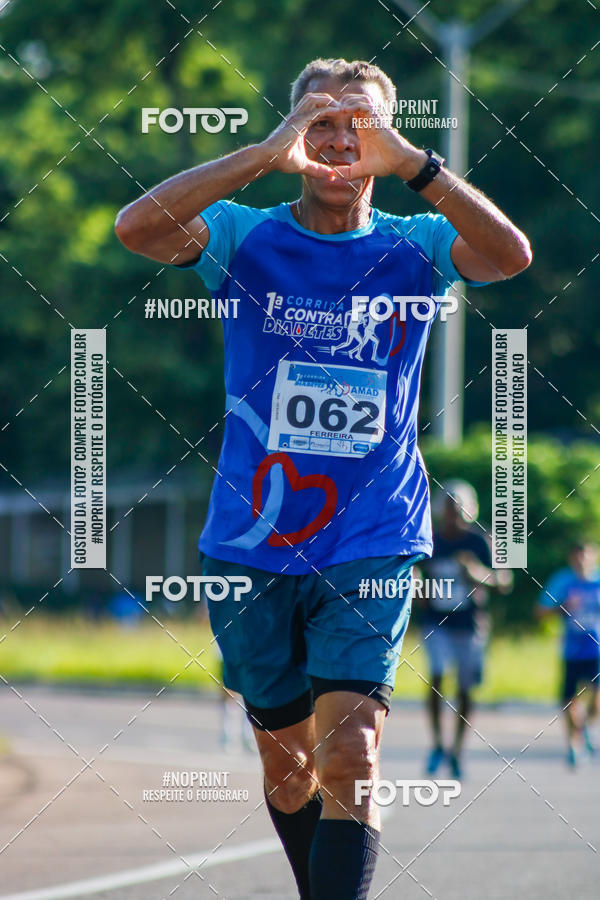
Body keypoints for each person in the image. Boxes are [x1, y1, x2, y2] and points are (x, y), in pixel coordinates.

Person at [115, 57, 531, 900]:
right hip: (251, 541)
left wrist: (418, 165)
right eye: (321, 123)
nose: (341, 140)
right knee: (291, 767)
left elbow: (510, 255)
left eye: (362, 125)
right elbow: (137, 229)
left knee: (353, 754)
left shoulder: (415, 248)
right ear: (295, 130)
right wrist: (264, 155)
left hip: (372, 536)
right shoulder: (242, 235)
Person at [418, 481, 511, 780]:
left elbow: (505, 582)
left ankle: (457, 750)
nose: (453, 517)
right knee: (436, 675)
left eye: (458, 511)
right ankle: (436, 744)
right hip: (436, 621)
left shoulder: (480, 541)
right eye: (448, 511)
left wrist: (478, 574)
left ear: (469, 512)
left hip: (470, 623)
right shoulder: (429, 540)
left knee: (466, 688)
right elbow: (413, 573)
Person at [537, 542, 600, 768]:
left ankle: (587, 729)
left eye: (586, 556)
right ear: (571, 559)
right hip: (572, 650)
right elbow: (540, 611)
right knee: (568, 700)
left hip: (597, 649)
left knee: (596, 698)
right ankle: (574, 746)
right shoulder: (562, 581)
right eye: (577, 557)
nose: (582, 561)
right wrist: (562, 607)